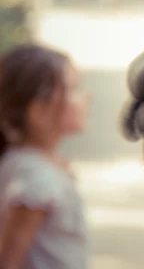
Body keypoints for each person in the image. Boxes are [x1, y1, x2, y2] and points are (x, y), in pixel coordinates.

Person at [0, 43, 90, 269]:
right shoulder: (37, 178)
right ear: (38, 111)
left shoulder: (28, 163)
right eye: (74, 88)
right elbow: (7, 261)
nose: (87, 97)